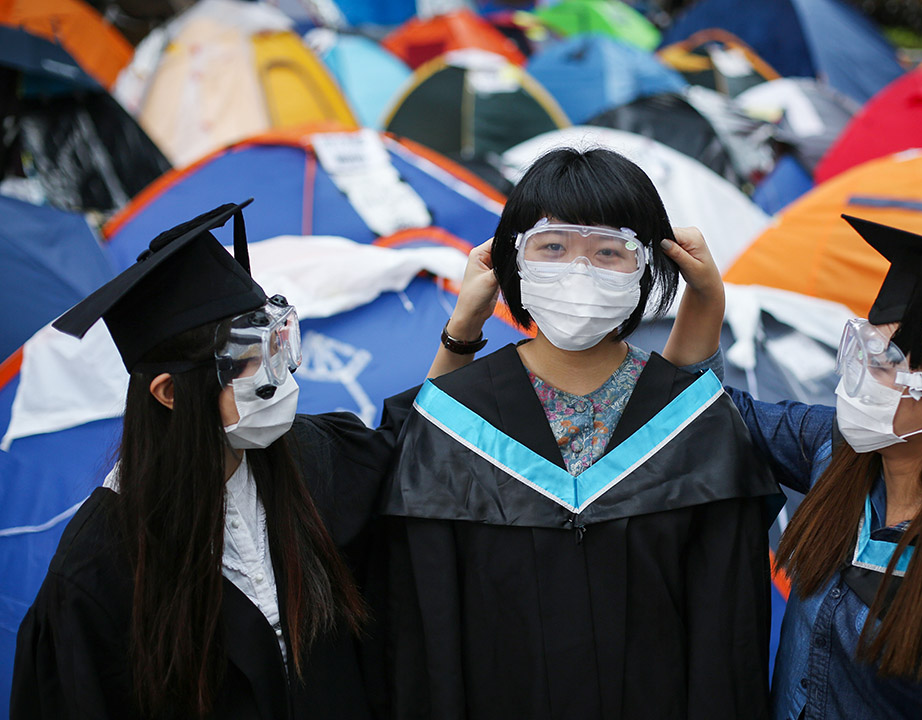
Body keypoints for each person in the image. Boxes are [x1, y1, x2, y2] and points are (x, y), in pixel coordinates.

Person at [9, 202, 489, 719]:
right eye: (248, 361)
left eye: (276, 345)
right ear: (170, 392)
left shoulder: (307, 458)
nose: (276, 377)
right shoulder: (99, 569)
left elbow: (413, 452)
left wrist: (462, 328)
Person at [369, 147, 783, 719]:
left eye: (609, 250)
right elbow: (425, 630)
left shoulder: (692, 420)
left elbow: (725, 640)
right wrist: (463, 325)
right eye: (553, 247)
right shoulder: (455, 419)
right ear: (513, 261)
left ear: (646, 266)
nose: (578, 270)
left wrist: (707, 295)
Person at [707, 216, 922, 719]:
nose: (858, 377)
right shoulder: (838, 455)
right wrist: (704, 303)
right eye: (863, 349)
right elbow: (719, 417)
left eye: (885, 362)